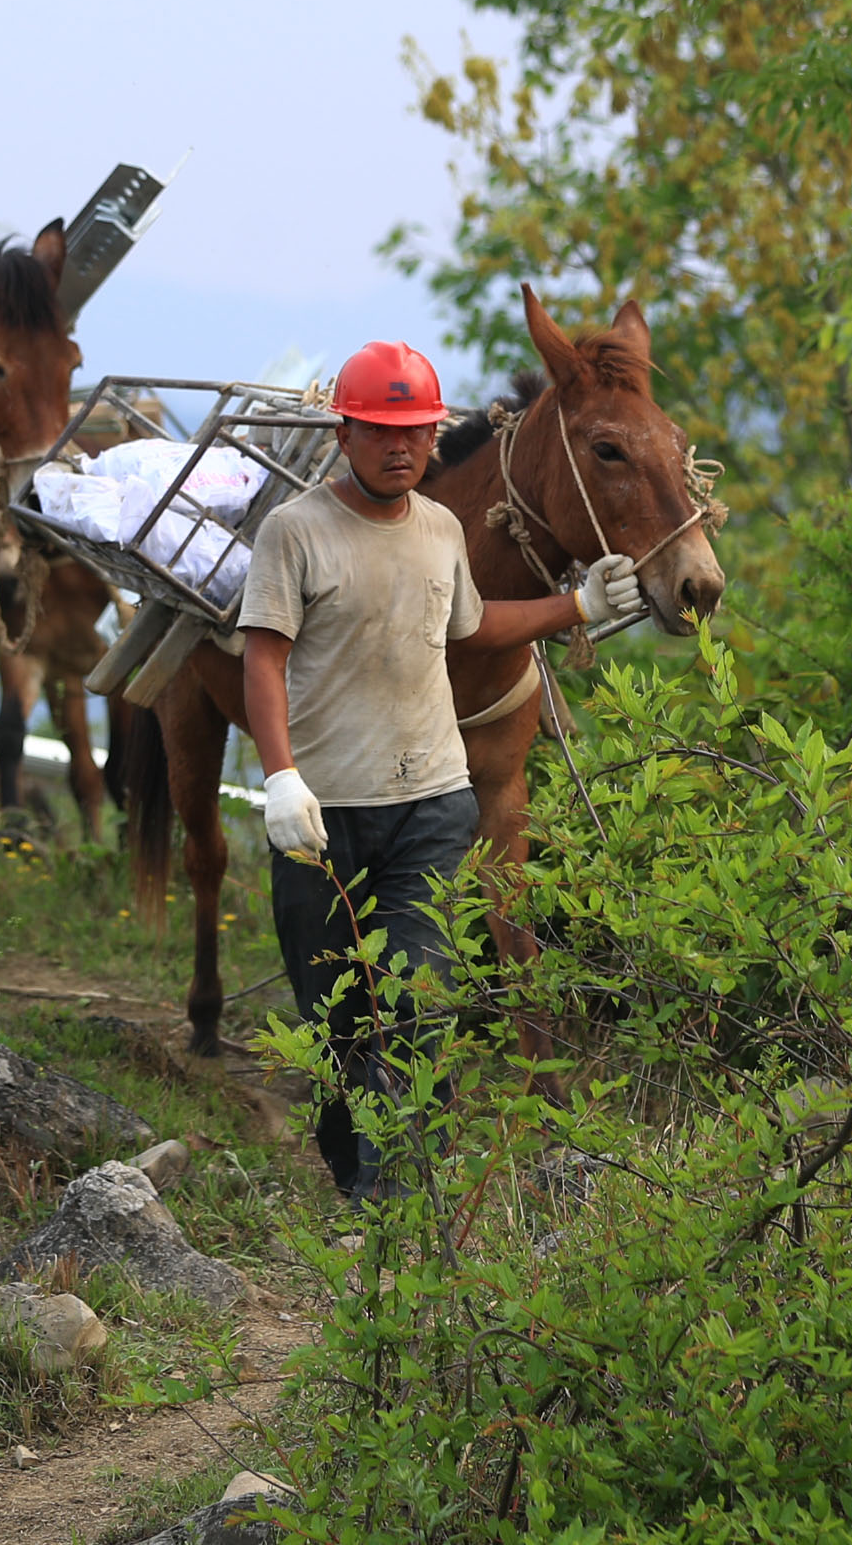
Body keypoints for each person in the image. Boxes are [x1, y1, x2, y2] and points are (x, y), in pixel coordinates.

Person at [235, 338, 639, 1199]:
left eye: (415, 432)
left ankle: (409, 1195)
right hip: (325, 809)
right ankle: (353, 1166)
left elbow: (472, 627)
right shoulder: (294, 532)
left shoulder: (444, 527)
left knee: (422, 996)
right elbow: (263, 659)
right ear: (344, 434)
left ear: (434, 434)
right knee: (334, 1014)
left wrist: (581, 604)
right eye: (381, 431)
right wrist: (280, 777)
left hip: (432, 804)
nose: (401, 448)